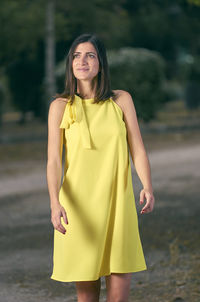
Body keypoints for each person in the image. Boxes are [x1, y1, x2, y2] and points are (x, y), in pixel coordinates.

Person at [46, 33, 155, 302]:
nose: (82, 61)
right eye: (76, 55)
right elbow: (53, 161)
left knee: (119, 297)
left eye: (90, 55)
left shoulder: (121, 100)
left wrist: (148, 185)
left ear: (101, 63)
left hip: (118, 203)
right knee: (87, 298)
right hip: (79, 209)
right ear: (70, 63)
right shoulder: (60, 106)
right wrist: (54, 203)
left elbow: (138, 148)